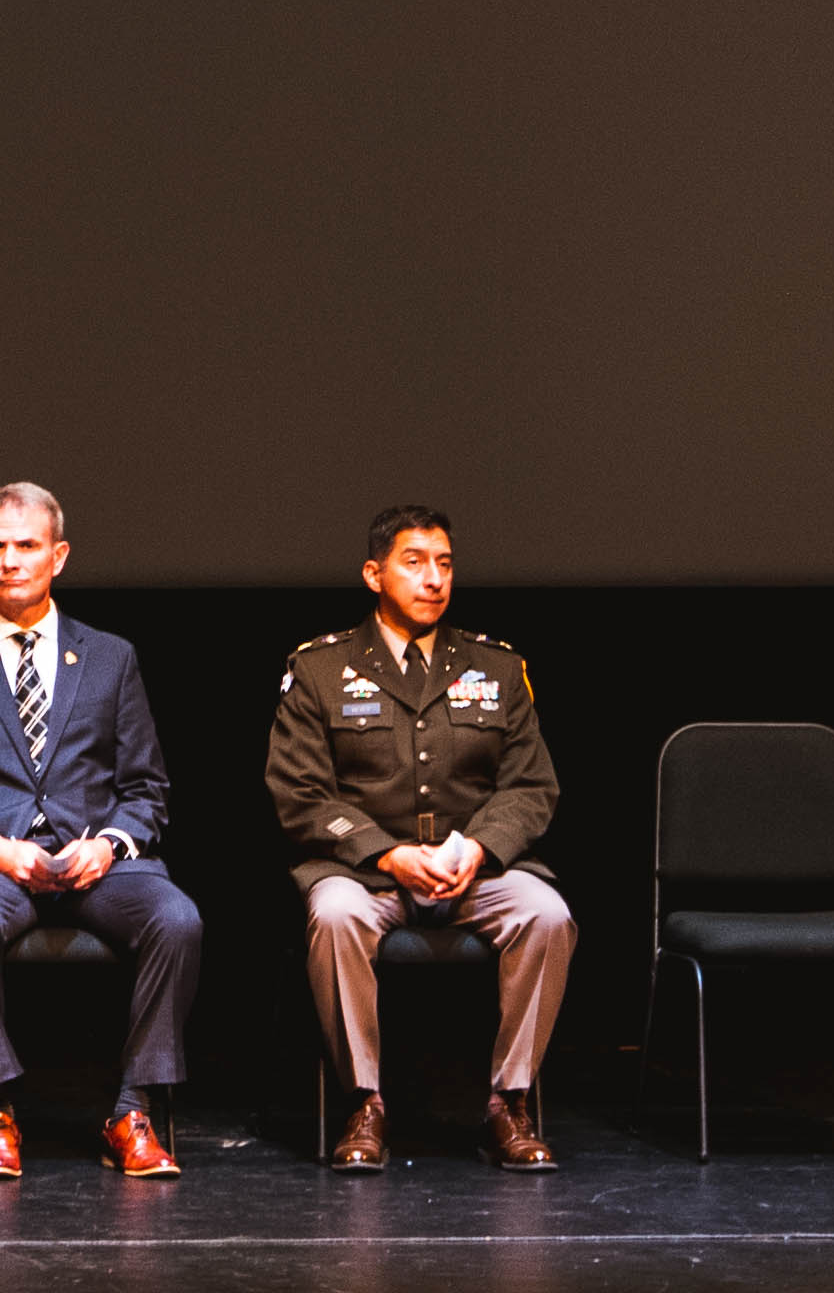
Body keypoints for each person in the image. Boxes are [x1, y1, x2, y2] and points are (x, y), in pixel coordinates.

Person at [0, 479, 198, 1177]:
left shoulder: (111, 656)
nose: (10, 561)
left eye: (26, 546)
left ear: (58, 556)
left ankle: (132, 1109)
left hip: (95, 859)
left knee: (177, 919)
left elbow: (148, 786)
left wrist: (110, 843)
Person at [268, 499, 570, 1169]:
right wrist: (388, 853)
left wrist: (480, 847)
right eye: (415, 563)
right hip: (368, 872)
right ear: (375, 575)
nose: (434, 579)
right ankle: (364, 1103)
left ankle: (509, 1102)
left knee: (547, 914)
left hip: (475, 871)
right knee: (334, 913)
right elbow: (300, 794)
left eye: (445, 564)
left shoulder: (496, 668)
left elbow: (530, 786)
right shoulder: (320, 668)